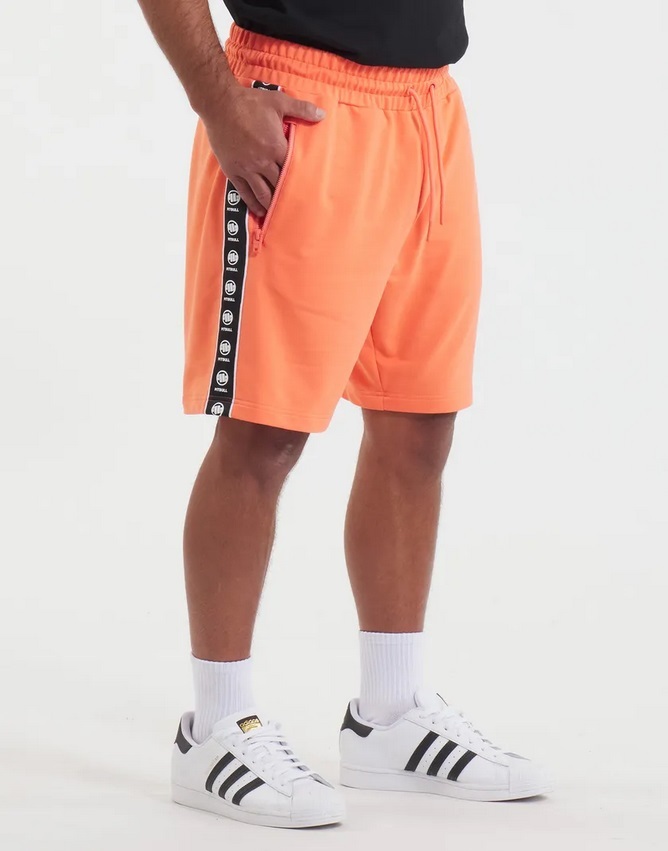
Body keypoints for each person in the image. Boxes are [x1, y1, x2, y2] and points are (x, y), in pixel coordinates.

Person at [137, 0, 551, 829]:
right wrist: (218, 103)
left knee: (419, 420)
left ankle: (389, 716)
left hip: (428, 107)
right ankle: (216, 726)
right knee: (264, 432)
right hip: (300, 107)